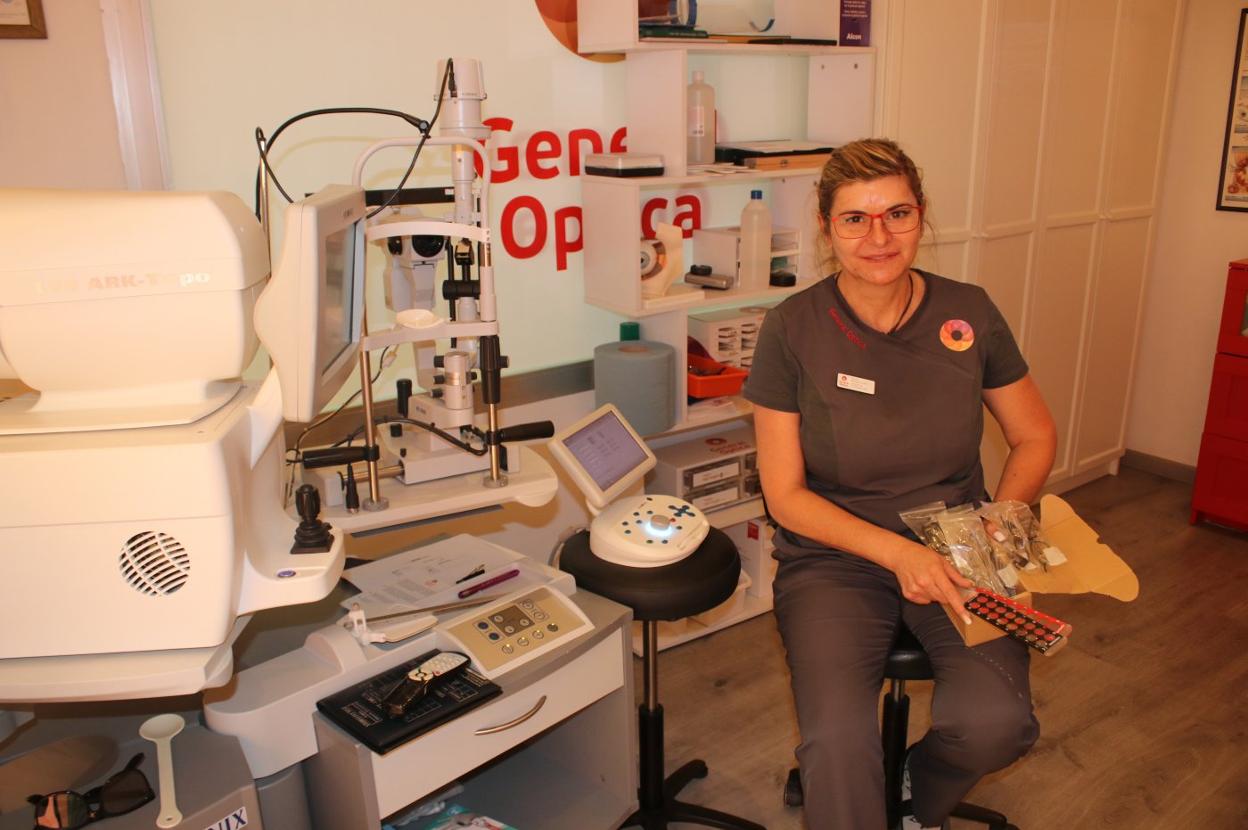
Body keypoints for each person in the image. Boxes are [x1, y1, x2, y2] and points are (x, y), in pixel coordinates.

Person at [743, 138, 1057, 830]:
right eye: (855, 219)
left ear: (922, 217)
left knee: (997, 724)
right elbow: (785, 496)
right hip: (834, 558)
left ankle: (916, 785)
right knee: (837, 742)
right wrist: (896, 555)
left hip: (958, 549)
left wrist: (1004, 514)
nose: (878, 236)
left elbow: (1034, 436)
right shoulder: (791, 328)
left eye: (897, 213)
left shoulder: (969, 313)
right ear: (828, 228)